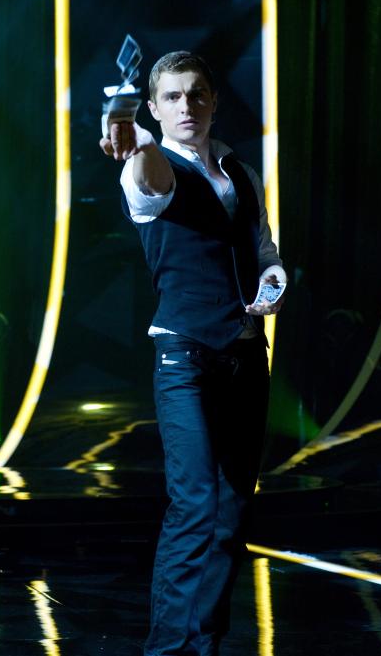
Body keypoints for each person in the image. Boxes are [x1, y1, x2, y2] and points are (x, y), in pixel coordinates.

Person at [99, 50, 286, 656]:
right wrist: (134, 139)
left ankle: (203, 645)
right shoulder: (148, 165)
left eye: (197, 94)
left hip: (246, 354)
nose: (187, 106)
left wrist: (273, 281)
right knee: (196, 502)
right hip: (186, 355)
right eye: (173, 97)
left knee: (232, 511)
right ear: (155, 109)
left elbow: (263, 250)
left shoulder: (240, 171)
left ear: (213, 101)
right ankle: (167, 649)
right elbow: (151, 183)